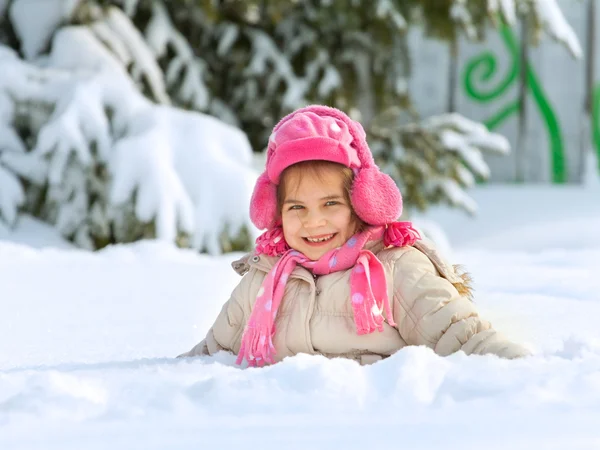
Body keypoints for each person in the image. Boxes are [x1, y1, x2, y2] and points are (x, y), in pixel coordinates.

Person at [179, 105, 530, 367]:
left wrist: (532, 376)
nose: (313, 222)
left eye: (330, 203)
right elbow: (210, 357)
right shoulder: (264, 280)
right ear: (275, 213)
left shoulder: (395, 268)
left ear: (361, 203)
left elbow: (467, 340)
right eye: (296, 208)